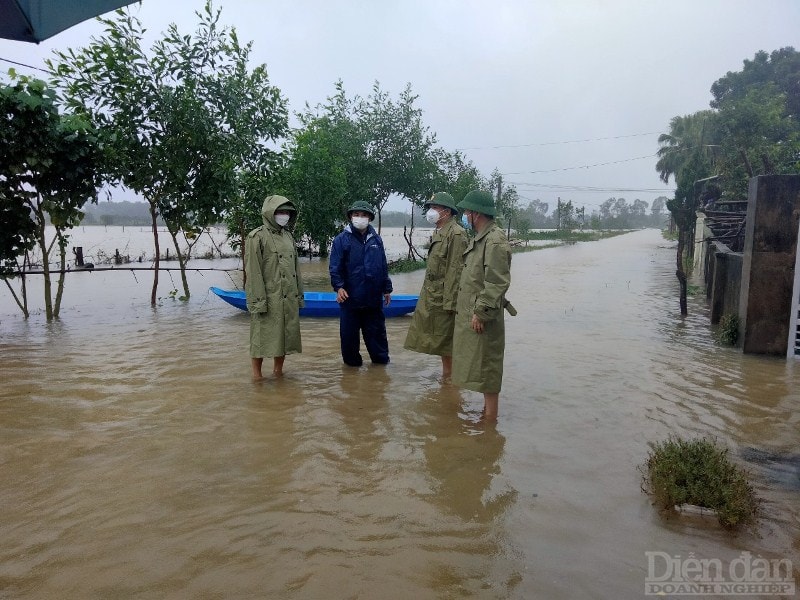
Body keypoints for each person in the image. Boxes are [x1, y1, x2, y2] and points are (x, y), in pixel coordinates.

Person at [452, 190, 514, 421]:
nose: (466, 216)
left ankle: (490, 423)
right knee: (478, 366)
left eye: (467, 212)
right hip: (475, 314)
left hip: (484, 316)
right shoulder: (480, 239)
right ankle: (486, 417)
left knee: (488, 368)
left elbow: (497, 281)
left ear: (476, 214)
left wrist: (481, 312)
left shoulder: (494, 241)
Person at [403, 192, 468, 380]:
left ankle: (451, 383)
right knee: (440, 342)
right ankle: (447, 382)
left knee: (447, 342)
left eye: (435, 208)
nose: (431, 211)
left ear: (446, 212)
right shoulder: (440, 231)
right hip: (433, 295)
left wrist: (451, 304)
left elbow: (455, 272)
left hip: (445, 300)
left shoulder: (456, 234)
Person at [244, 195, 304, 379]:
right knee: (260, 338)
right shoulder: (257, 237)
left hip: (288, 296)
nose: (284, 215)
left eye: (287, 212)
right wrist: (257, 301)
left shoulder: (288, 237)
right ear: (270, 213)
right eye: (280, 211)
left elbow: (296, 270)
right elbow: (253, 272)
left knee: (284, 336)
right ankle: (257, 377)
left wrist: (299, 296)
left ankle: (278, 372)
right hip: (268, 296)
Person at [329, 200, 393, 367]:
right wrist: (339, 286)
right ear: (350, 217)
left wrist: (387, 288)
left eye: (364, 215)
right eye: (356, 214)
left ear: (370, 218)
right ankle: (351, 382)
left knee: (378, 344)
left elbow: (382, 265)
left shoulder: (376, 240)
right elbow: (335, 267)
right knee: (349, 344)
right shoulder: (341, 240)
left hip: (373, 299)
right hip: (350, 299)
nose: (360, 218)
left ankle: (379, 376)